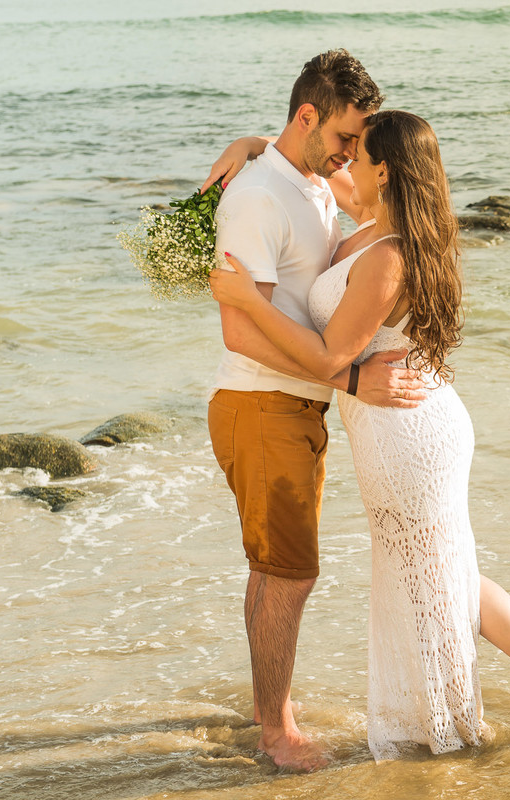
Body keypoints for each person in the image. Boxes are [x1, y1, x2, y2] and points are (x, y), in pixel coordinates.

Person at [210, 109, 510, 762]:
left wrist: (249, 302)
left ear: (383, 170)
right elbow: (298, 168)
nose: (345, 165)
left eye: (356, 156)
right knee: (446, 575)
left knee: (433, 580)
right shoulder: (373, 231)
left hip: (409, 434)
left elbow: (333, 357)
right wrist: (252, 145)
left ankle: (471, 725)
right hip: (400, 425)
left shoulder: (388, 256)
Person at [207, 50, 430, 772]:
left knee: (273, 569)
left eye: (357, 143)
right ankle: (276, 734)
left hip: (291, 407)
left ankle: (268, 710)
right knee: (291, 574)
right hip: (261, 402)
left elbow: (366, 194)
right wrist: (351, 378)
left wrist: (250, 143)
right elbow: (240, 328)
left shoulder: (307, 183)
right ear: (307, 116)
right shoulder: (259, 198)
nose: (351, 153)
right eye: (343, 137)